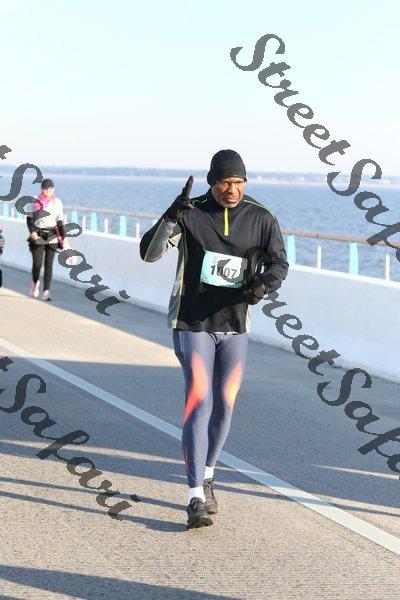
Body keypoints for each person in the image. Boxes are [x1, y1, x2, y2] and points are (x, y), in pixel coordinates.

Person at [140, 150, 289, 529]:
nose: (232, 189)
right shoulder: (189, 212)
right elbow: (149, 254)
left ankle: (207, 475)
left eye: (239, 182)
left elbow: (279, 264)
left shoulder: (261, 217)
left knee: (224, 405)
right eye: (225, 182)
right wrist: (169, 217)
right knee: (199, 399)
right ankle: (194, 496)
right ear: (212, 182)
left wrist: (263, 284)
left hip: (235, 326)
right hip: (192, 323)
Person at [27, 178, 65, 301]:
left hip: (52, 236)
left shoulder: (57, 202)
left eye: (49, 188)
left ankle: (46, 291)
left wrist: (63, 238)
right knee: (37, 265)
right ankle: (35, 282)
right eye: (44, 188)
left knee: (49, 265)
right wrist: (32, 232)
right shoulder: (35, 201)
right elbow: (29, 219)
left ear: (53, 189)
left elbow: (60, 222)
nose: (47, 190)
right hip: (38, 235)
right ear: (41, 189)